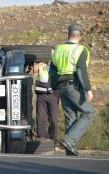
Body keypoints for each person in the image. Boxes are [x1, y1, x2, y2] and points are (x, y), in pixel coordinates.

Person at [50, 24, 94, 156]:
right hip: (73, 86)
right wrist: (88, 89)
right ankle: (69, 139)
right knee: (88, 113)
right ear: (80, 36)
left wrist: (54, 88)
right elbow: (81, 71)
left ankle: (69, 150)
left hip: (61, 87)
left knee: (71, 117)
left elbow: (52, 71)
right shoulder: (80, 49)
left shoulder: (58, 49)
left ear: (68, 34)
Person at [34, 61, 59, 141]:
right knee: (40, 117)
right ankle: (41, 137)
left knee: (53, 119)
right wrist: (41, 62)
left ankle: (53, 138)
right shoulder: (41, 63)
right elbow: (34, 69)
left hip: (54, 94)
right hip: (41, 94)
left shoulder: (57, 63)